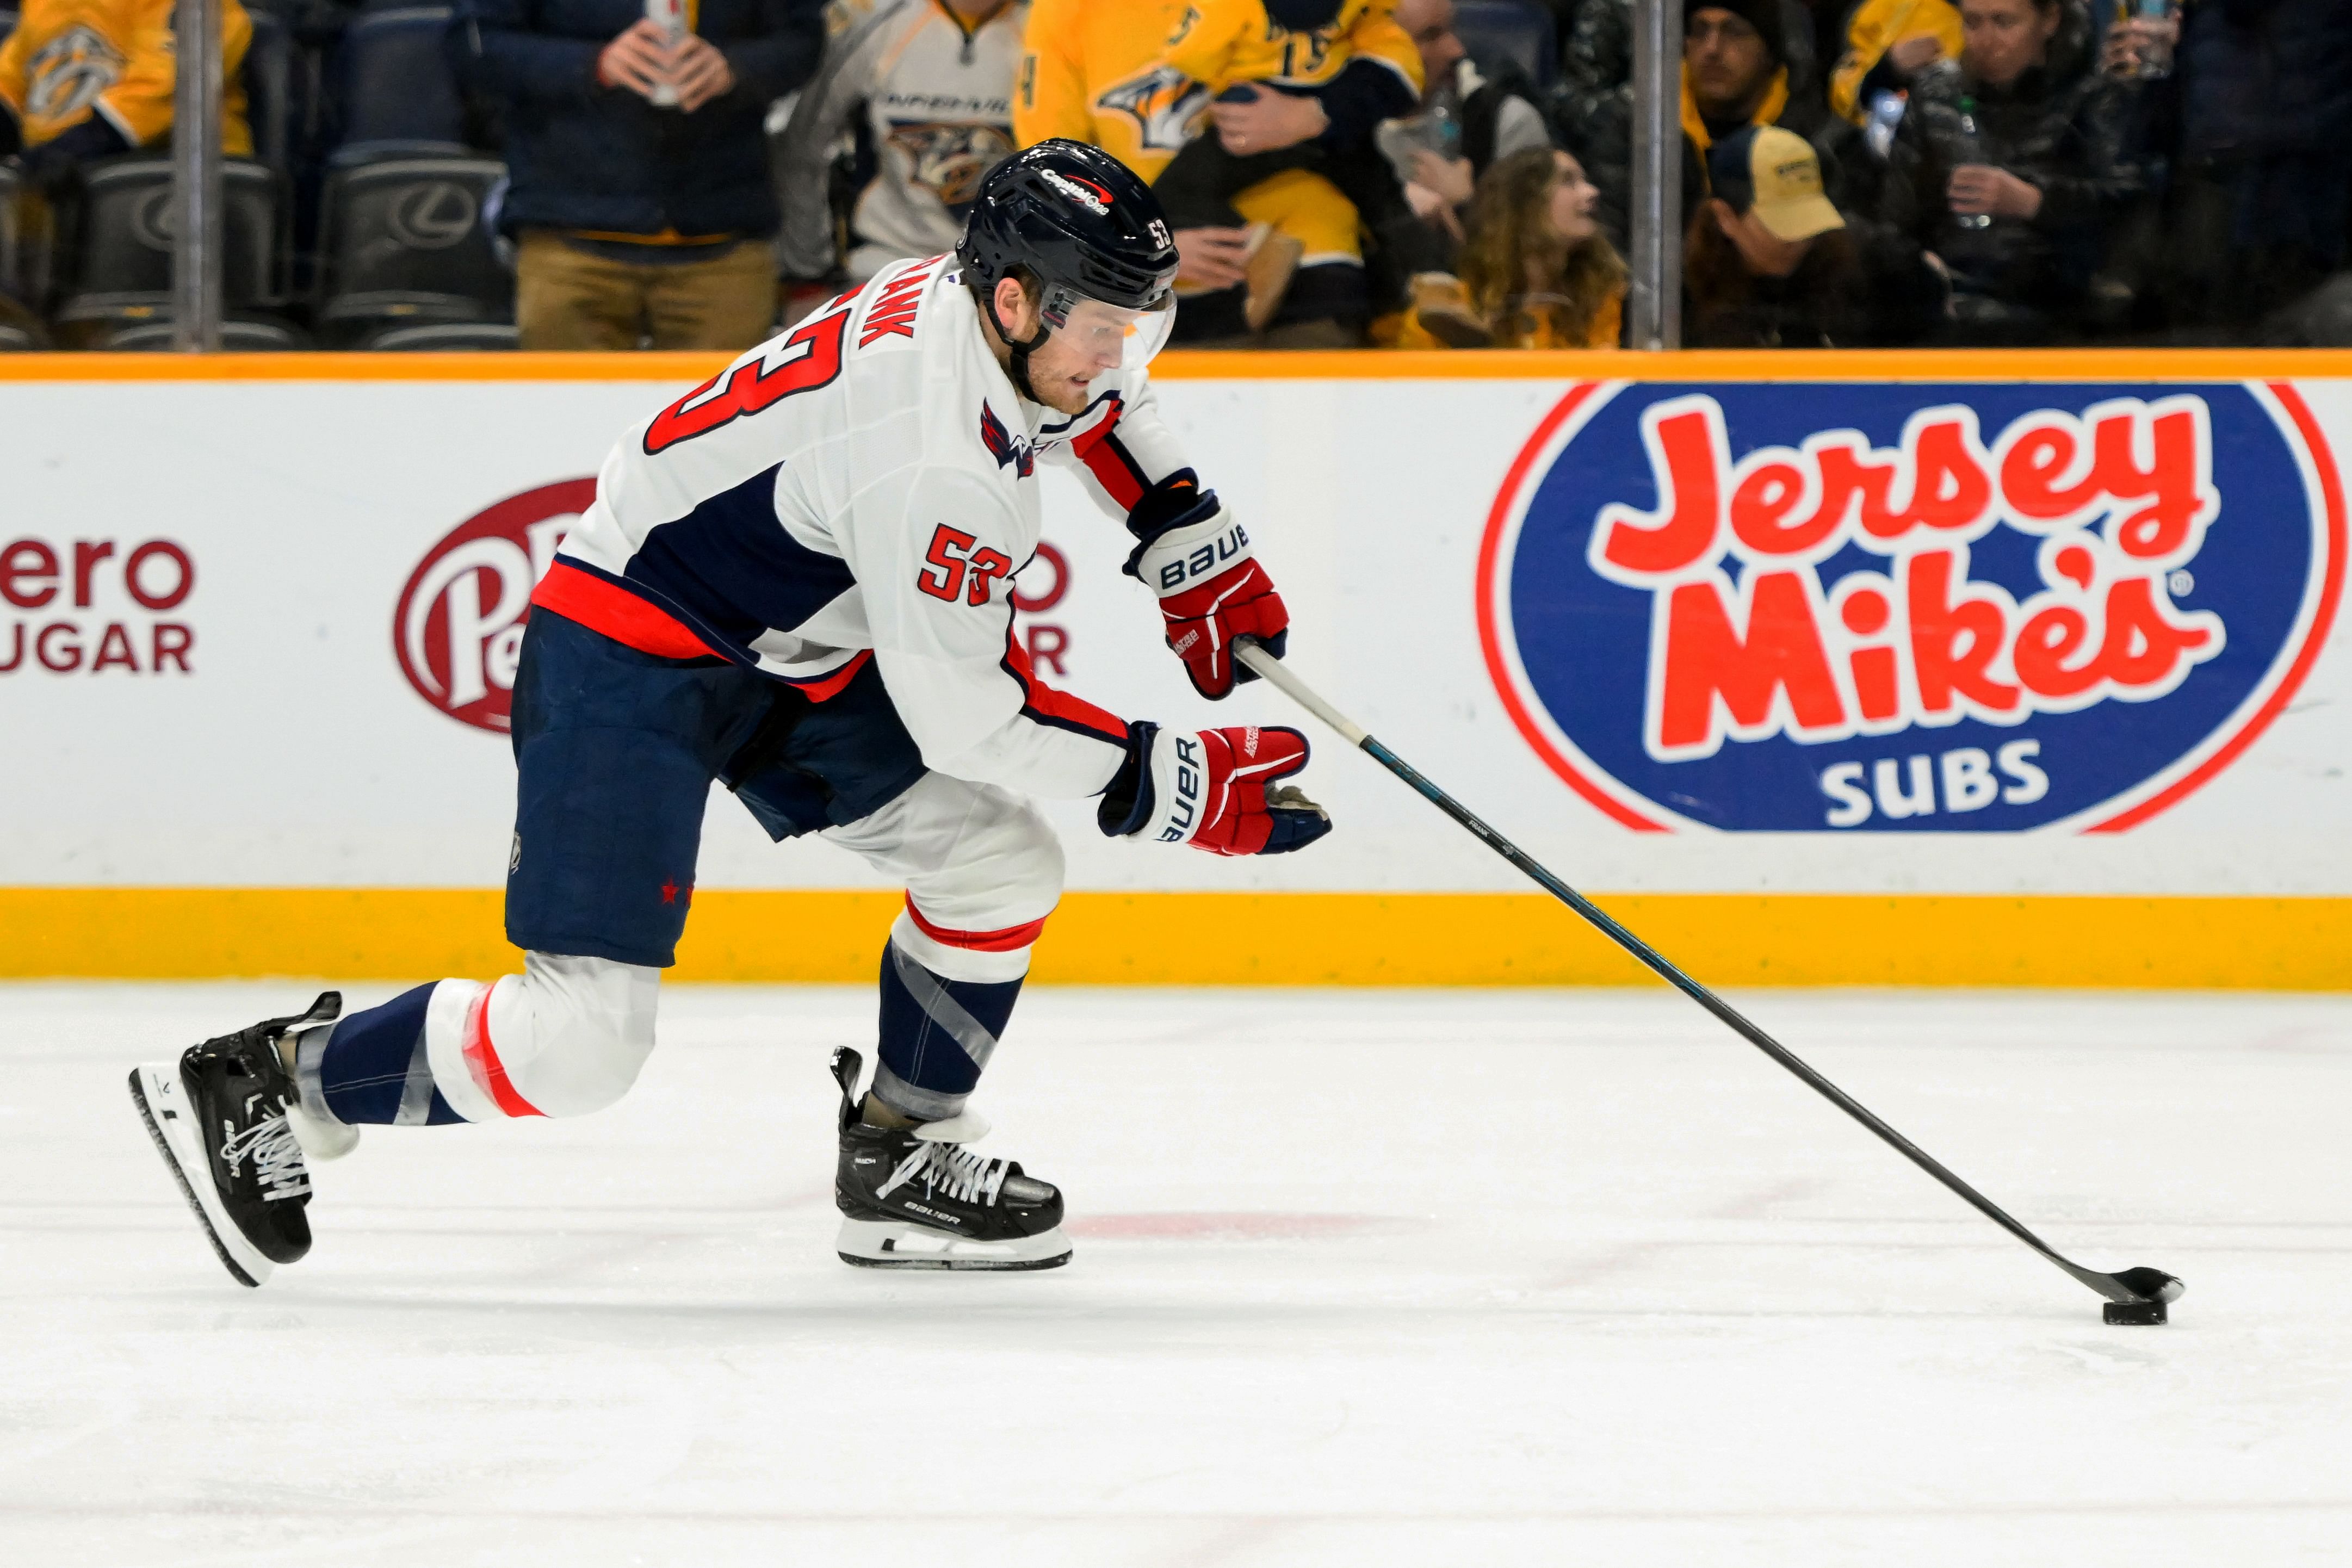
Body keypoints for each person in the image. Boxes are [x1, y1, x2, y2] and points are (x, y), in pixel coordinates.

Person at [128, 142, 1333, 1289]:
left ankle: (902, 1149)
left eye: (1139, 322)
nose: (1120, 355)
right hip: (628, 648)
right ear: (1014, 304)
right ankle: (271, 1078)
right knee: (579, 1046)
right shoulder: (929, 464)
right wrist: (1164, 782)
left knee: (996, 862)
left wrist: (1182, 528)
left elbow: (1091, 403)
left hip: (778, 643)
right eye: (1100, 324)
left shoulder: (977, 307)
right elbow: (973, 718)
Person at [1014, 0, 1400, 345]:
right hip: (1140, 270)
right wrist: (1134, 247)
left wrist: (1318, 112)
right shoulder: (1067, 11)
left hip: (1292, 236)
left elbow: (1382, 65)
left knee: (1317, 384)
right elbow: (1050, 171)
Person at [448, 0, 826, 351]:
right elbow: (474, 45)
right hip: (567, 229)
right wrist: (593, 64)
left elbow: (805, 39)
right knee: (566, 419)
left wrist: (738, 68)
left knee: (727, 422)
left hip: (724, 228)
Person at [1144, 0, 1427, 329]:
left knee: (1172, 196)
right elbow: (1401, 76)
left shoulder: (1225, 10)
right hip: (1305, 141)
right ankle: (1430, 283)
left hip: (1259, 128)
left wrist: (1318, 113)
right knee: (1384, 201)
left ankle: (1423, 292)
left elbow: (1191, 58)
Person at [1876, 0, 2139, 343]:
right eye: (1973, 23)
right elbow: (1895, 214)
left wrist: (2035, 202)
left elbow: (2126, 204)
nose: (1986, 39)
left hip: (2061, 306)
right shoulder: (1934, 94)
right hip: (1945, 298)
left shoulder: (2094, 95)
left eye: (2004, 22)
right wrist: (1919, 267)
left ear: (2050, 20)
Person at [1573, 0, 1859, 255]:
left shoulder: (1819, 137)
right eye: (1699, 31)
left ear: (1769, 51)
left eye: (1734, 31)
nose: (1712, 49)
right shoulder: (1636, 126)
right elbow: (1610, 247)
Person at [774, 0, 1026, 289]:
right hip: (885, 265)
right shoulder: (875, 24)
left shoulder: (1046, 29)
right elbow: (804, 143)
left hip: (1008, 271)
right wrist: (807, 271)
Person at [1685, 122, 1944, 345]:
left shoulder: (1872, 267)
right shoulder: (1677, 299)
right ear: (1725, 218)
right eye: (1782, 221)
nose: (1800, 238)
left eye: (1807, 215)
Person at [0, 0, 253, 192]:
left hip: (169, 187)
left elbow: (168, 85)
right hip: (52, 182)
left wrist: (76, 147)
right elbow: (11, 79)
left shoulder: (199, 7)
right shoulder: (44, 5)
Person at [1397, 145, 1624, 348]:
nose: (1592, 192)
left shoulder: (1616, 305)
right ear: (1524, 205)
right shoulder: (1442, 317)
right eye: (1568, 181)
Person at [1380, 0, 1553, 253]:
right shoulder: (1323, 131)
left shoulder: (1506, 124)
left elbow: (1538, 264)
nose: (1457, 50)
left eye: (1452, 29)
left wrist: (1467, 206)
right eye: (1431, 36)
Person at [1829, 0, 1964, 125]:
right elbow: (1845, 94)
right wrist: (1888, 70)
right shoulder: (1891, 7)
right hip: (1884, 132)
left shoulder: (1974, 24)